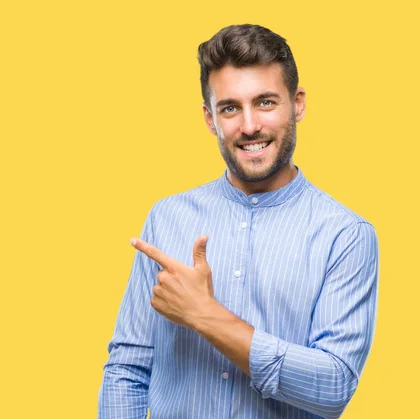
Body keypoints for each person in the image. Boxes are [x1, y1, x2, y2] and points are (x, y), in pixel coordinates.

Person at [98, 24, 378, 419]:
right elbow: (127, 371)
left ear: (297, 104)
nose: (249, 126)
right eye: (230, 108)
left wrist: (205, 315)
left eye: (265, 102)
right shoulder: (167, 219)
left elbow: (333, 386)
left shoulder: (345, 236)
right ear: (211, 119)